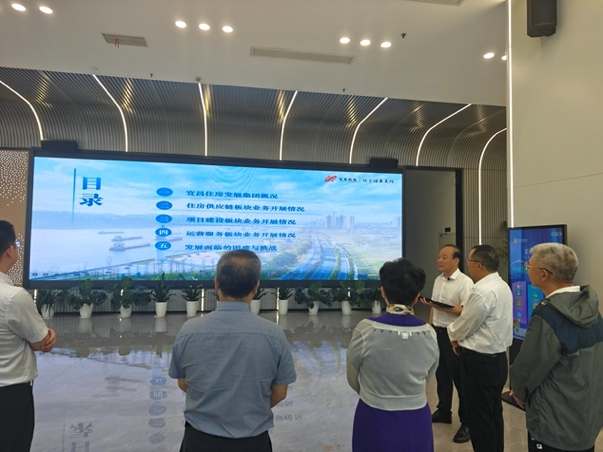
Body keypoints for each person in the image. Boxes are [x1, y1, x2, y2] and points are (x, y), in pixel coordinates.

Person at [169, 249, 296, 452]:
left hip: (199, 441)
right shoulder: (273, 335)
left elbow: (183, 383)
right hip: (253, 442)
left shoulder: (189, 331)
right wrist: (247, 410)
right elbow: (280, 393)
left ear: (216, 283)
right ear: (256, 287)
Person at [509, 243, 603, 452]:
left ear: (543, 274)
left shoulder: (548, 315)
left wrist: (519, 391)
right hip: (586, 418)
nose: (526, 270)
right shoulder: (591, 309)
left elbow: (528, 366)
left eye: (528, 266)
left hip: (554, 422)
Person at [346, 258, 439, 452]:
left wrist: (372, 393)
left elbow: (352, 375)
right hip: (417, 417)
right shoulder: (429, 333)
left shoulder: (366, 330)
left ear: (383, 292)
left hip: (373, 414)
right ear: (417, 296)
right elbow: (428, 376)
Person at [447, 244, 512, 452]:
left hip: (479, 362)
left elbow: (466, 323)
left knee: (479, 419)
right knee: (493, 413)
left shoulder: (482, 292)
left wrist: (453, 336)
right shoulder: (502, 285)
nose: (467, 265)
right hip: (498, 359)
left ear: (479, 265)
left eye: (469, 261)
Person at [0, 220, 56, 452]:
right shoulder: (14, 297)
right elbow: (41, 341)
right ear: (9, 251)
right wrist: (48, 335)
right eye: (16, 245)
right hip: (9, 396)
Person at [420, 244, 473, 443]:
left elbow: (465, 310)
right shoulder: (438, 280)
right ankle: (444, 410)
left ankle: (467, 422)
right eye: (438, 257)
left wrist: (440, 307)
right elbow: (433, 307)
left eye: (444, 257)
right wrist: (430, 327)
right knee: (441, 374)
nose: (439, 260)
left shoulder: (465, 282)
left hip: (454, 336)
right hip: (438, 332)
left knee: (460, 378)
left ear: (456, 261)